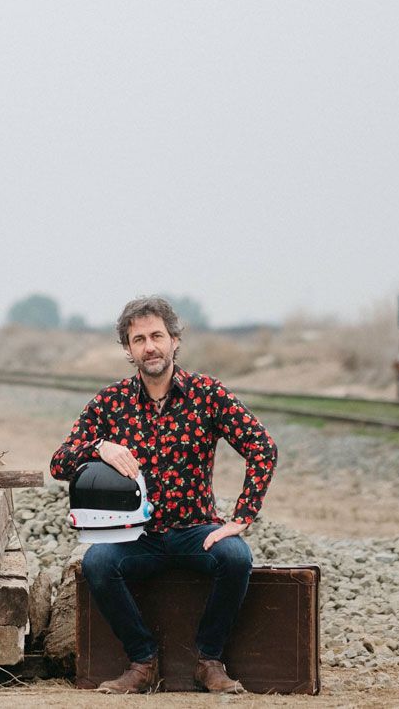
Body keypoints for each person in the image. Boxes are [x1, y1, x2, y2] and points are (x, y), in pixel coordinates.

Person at [49, 296, 277, 694]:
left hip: (195, 531)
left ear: (174, 340)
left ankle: (209, 661)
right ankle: (143, 661)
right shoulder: (110, 402)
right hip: (136, 537)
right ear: (128, 349)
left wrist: (242, 516)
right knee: (98, 563)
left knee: (237, 556)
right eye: (139, 339)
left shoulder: (208, 393)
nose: (149, 346)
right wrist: (98, 447)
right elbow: (59, 462)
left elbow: (262, 447)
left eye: (157, 336)